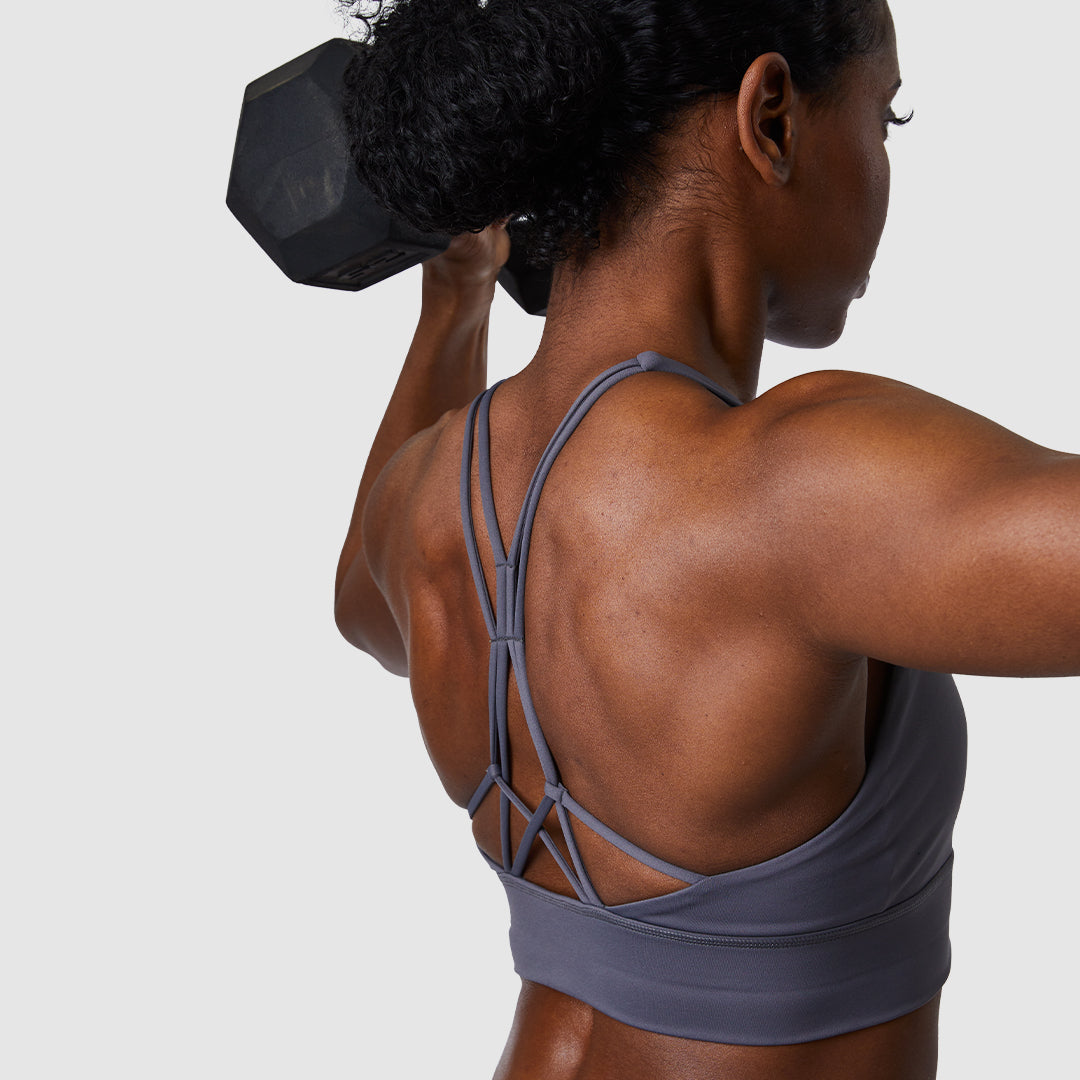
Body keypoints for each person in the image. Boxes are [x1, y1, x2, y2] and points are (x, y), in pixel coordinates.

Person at [332, 1, 1080, 1077]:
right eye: (886, 116)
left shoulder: (425, 498)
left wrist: (453, 302)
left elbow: (364, 612)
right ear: (771, 116)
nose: (884, 163)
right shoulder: (791, 489)